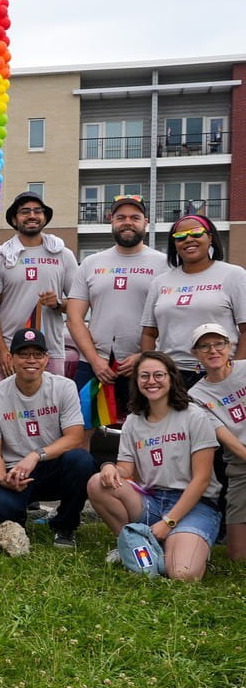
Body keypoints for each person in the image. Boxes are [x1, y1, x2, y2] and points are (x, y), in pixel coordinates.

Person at [87, 352, 221, 581]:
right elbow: (126, 470)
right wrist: (109, 467)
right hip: (153, 500)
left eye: (158, 375)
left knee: (182, 575)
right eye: (144, 376)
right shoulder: (133, 420)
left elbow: (202, 480)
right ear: (136, 381)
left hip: (195, 504)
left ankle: (180, 543)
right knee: (97, 482)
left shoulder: (194, 416)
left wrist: (169, 523)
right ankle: (132, 542)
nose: (151, 381)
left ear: (171, 378)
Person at [0, 328, 96, 546]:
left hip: (53, 466)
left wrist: (36, 455)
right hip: (16, 472)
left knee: (81, 460)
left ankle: (65, 526)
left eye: (37, 354)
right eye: (23, 354)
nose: (31, 360)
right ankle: (18, 524)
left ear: (46, 359)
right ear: (10, 358)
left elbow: (75, 437)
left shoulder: (64, 387)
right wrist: (3, 478)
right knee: (2, 506)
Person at [66, 194, 165, 406]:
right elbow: (74, 318)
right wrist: (94, 360)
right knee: (82, 431)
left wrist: (143, 355)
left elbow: (170, 320)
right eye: (121, 217)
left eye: (134, 217)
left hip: (146, 366)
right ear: (111, 221)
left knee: (144, 432)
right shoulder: (91, 263)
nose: (127, 222)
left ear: (145, 223)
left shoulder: (164, 264)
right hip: (94, 364)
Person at [0, 192, 78, 387]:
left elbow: (79, 304)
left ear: (45, 217)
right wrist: (2, 351)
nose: (32, 215)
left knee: (49, 412)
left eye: (37, 211)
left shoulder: (62, 254)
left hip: (48, 351)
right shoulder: (1, 256)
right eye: (25, 211)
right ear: (14, 219)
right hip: (6, 351)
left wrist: (58, 304)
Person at [140, 214, 246, 383]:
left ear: (210, 238)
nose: (188, 239)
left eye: (196, 233)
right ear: (174, 244)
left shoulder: (234, 275)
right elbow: (149, 334)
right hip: (170, 375)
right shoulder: (160, 282)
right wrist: (150, 369)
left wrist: (236, 372)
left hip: (218, 372)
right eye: (180, 236)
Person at [186, 323, 246, 561]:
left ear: (229, 346)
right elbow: (225, 437)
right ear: (195, 353)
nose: (213, 350)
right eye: (205, 346)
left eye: (219, 343)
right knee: (238, 557)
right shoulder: (196, 396)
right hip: (241, 466)